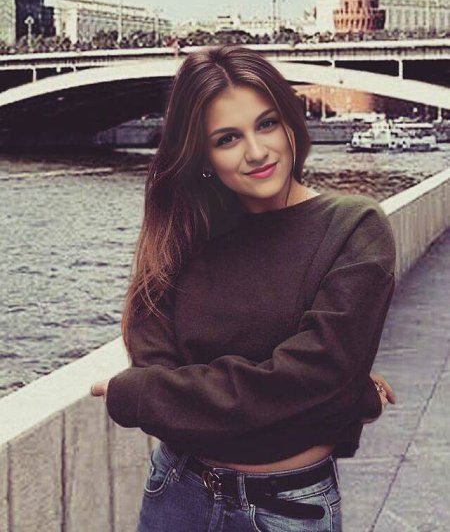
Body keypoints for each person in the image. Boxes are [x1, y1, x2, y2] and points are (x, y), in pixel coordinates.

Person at [91, 45, 397, 531]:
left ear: (290, 123)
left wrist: (145, 395)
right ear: (203, 154)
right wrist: (346, 395)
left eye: (267, 124)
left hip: (288, 510)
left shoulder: (354, 227)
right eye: (228, 138)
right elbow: (159, 364)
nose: (256, 152)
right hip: (178, 495)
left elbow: (311, 383)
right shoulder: (184, 233)